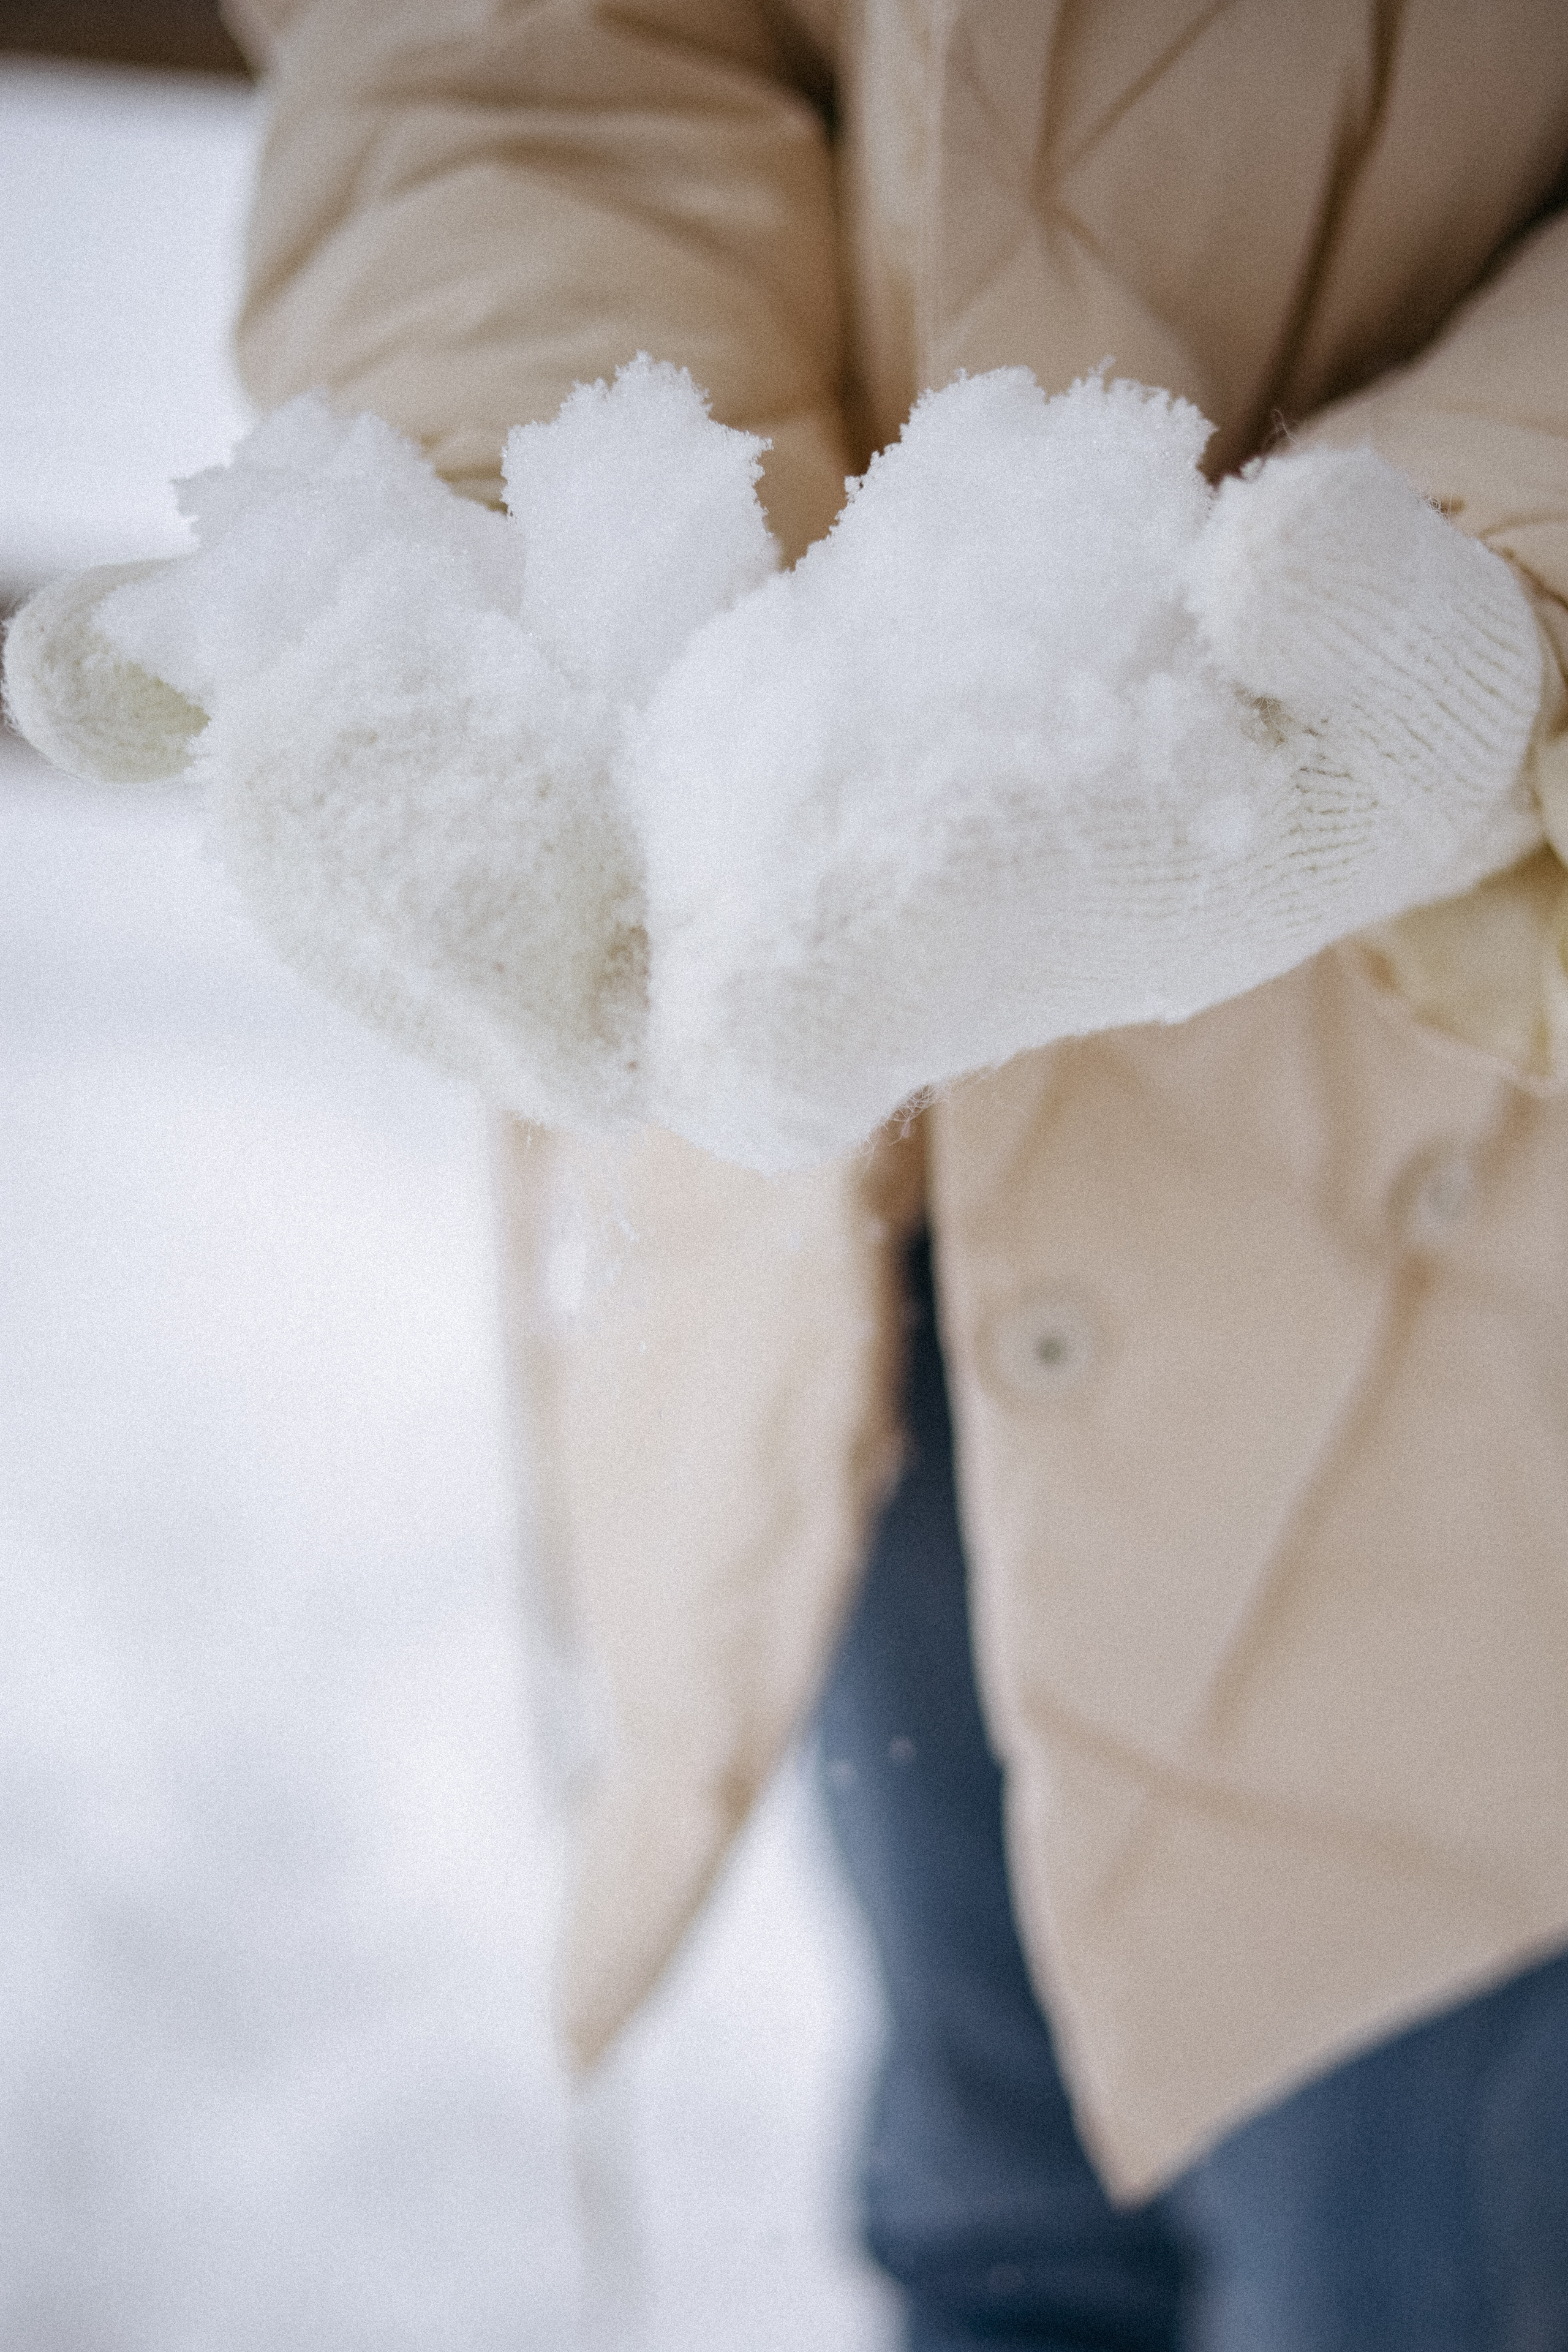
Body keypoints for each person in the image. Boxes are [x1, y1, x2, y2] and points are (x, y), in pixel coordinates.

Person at [10, 2, 1568, 2340]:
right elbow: (518, 54)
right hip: (859, 1239)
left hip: (1468, 1290)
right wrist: (501, 511)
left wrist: (1507, 611)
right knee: (990, 2192)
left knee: (1404, 2230)